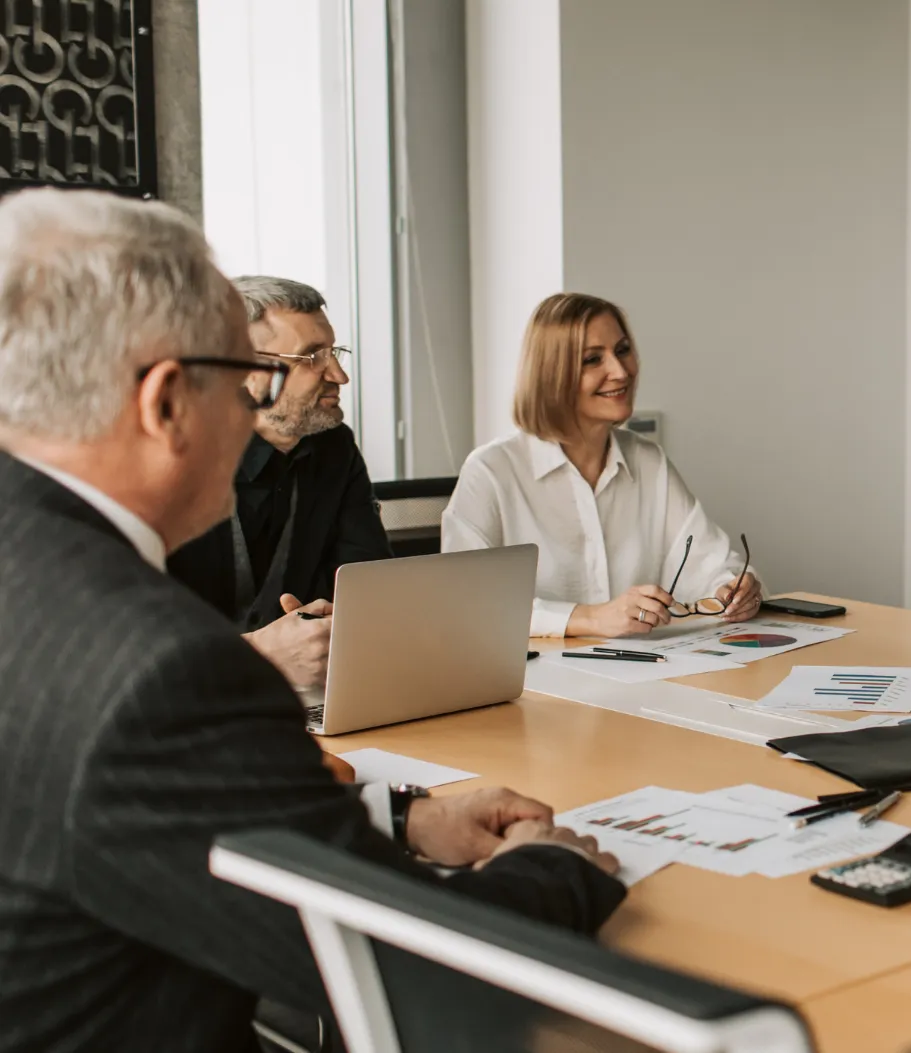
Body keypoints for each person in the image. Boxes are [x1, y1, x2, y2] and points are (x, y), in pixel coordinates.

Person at [0, 189, 624, 1053]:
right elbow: (407, 967)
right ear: (166, 402)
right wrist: (554, 870)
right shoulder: (164, 669)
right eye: (242, 380)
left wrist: (392, 814)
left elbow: (159, 816)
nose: (252, 412)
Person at [442, 293, 763, 637]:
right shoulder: (491, 472)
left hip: (647, 673)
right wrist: (591, 618)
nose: (620, 371)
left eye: (622, 350)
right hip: (533, 683)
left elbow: (712, 564)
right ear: (552, 374)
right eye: (593, 359)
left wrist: (733, 589)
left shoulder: (649, 462)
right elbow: (464, 605)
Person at [168, 276, 391, 687]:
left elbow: (370, 587)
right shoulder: (169, 464)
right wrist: (260, 653)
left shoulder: (334, 449)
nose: (339, 375)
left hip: (310, 697)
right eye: (311, 358)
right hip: (187, 708)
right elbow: (131, 646)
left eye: (333, 352)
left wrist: (335, 624)